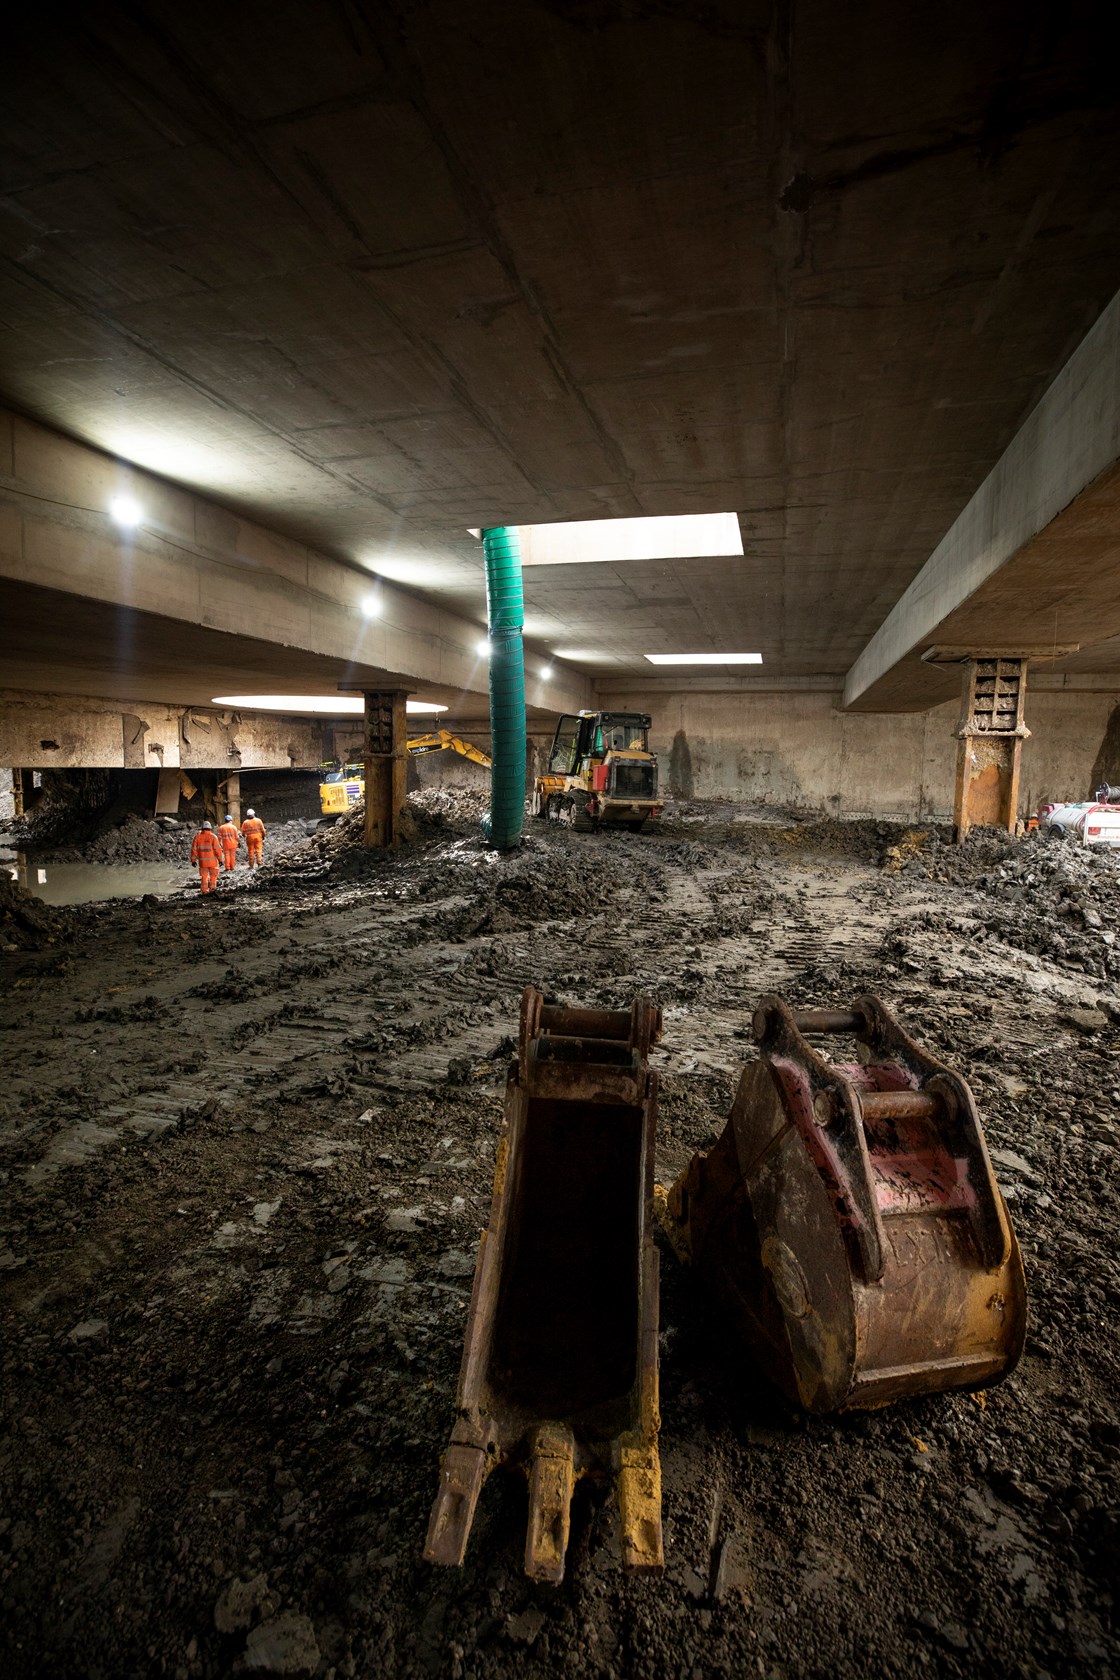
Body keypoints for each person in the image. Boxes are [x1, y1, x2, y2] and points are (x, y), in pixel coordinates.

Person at [190, 820, 223, 895]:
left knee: (204, 877)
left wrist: (193, 860)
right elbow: (218, 850)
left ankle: (204, 891)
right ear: (210, 828)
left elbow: (194, 850)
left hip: (203, 862)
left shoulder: (197, 837)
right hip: (213, 862)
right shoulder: (213, 837)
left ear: (202, 828)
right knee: (213, 877)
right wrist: (220, 860)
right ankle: (212, 890)